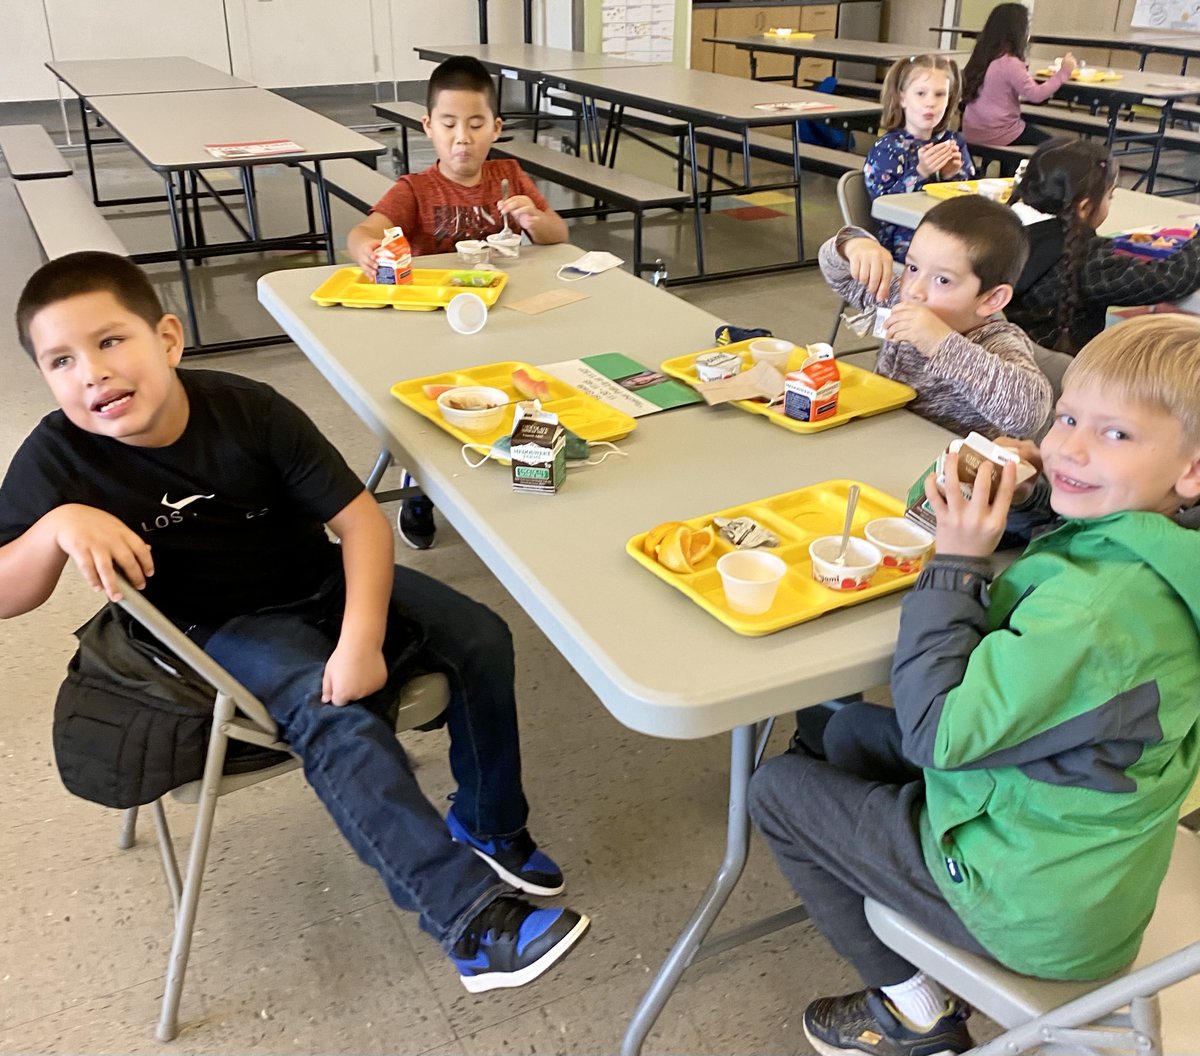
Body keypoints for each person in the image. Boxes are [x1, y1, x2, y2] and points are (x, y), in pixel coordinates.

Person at [0, 251, 589, 995]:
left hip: (318, 582)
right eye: (61, 361)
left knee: (479, 635)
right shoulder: (57, 456)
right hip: (213, 629)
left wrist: (361, 638)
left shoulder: (250, 410)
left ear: (169, 339)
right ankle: (468, 922)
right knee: (333, 714)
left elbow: (363, 531)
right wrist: (56, 524)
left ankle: (488, 822)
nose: (91, 372)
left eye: (111, 341)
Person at [751, 313, 1200, 1056]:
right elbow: (956, 519)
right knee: (849, 733)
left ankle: (915, 1014)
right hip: (1070, 845)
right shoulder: (1156, 546)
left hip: (1034, 911)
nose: (1069, 447)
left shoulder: (1097, 615)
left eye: (1115, 435)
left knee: (778, 792)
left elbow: (938, 734)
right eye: (1068, 418)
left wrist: (955, 567)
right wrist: (1026, 495)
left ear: (1190, 471)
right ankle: (902, 898)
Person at [347, 56, 569, 551]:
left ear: (496, 127)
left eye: (475, 124)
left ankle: (522, 473)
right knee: (431, 415)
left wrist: (533, 216)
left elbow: (558, 235)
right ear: (429, 126)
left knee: (525, 393)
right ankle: (419, 489)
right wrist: (364, 247)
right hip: (438, 325)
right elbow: (365, 231)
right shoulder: (416, 189)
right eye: (448, 124)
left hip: (507, 316)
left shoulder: (509, 175)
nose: (462, 137)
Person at [820, 194, 1052, 439]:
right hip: (881, 440)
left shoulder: (996, 342)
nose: (914, 289)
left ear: (991, 299)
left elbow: (1029, 415)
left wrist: (940, 344)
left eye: (943, 280)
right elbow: (838, 275)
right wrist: (854, 246)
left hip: (943, 468)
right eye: (913, 268)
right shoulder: (899, 300)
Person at [1009, 138, 1200, 353]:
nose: (1109, 202)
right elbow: (1175, 278)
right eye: (1110, 196)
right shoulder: (1086, 259)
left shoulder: (1001, 229)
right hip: (1058, 372)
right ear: (1084, 207)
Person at [864, 54, 974, 262]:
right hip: (904, 243)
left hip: (950, 235)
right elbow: (883, 205)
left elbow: (967, 200)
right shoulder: (887, 148)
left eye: (940, 94)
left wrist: (951, 177)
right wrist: (920, 173)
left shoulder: (952, 142)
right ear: (902, 98)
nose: (930, 103)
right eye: (921, 93)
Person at [961, 2, 1075, 152]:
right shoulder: (1010, 62)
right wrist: (1064, 72)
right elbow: (1036, 95)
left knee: (1023, 124)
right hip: (999, 133)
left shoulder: (981, 55)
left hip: (972, 131)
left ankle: (1007, 169)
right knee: (1057, 147)